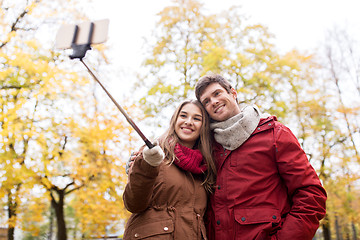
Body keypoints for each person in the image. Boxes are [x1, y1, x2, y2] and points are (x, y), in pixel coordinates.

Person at [194, 74, 327, 240]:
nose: (213, 101)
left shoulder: (275, 134)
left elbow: (311, 196)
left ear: (233, 93)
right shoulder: (208, 147)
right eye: (206, 101)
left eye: (217, 93)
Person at [122, 99, 216, 240]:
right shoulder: (153, 154)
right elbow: (133, 204)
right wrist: (146, 166)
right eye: (183, 116)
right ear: (175, 120)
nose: (189, 122)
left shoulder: (205, 168)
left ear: (204, 126)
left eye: (197, 118)